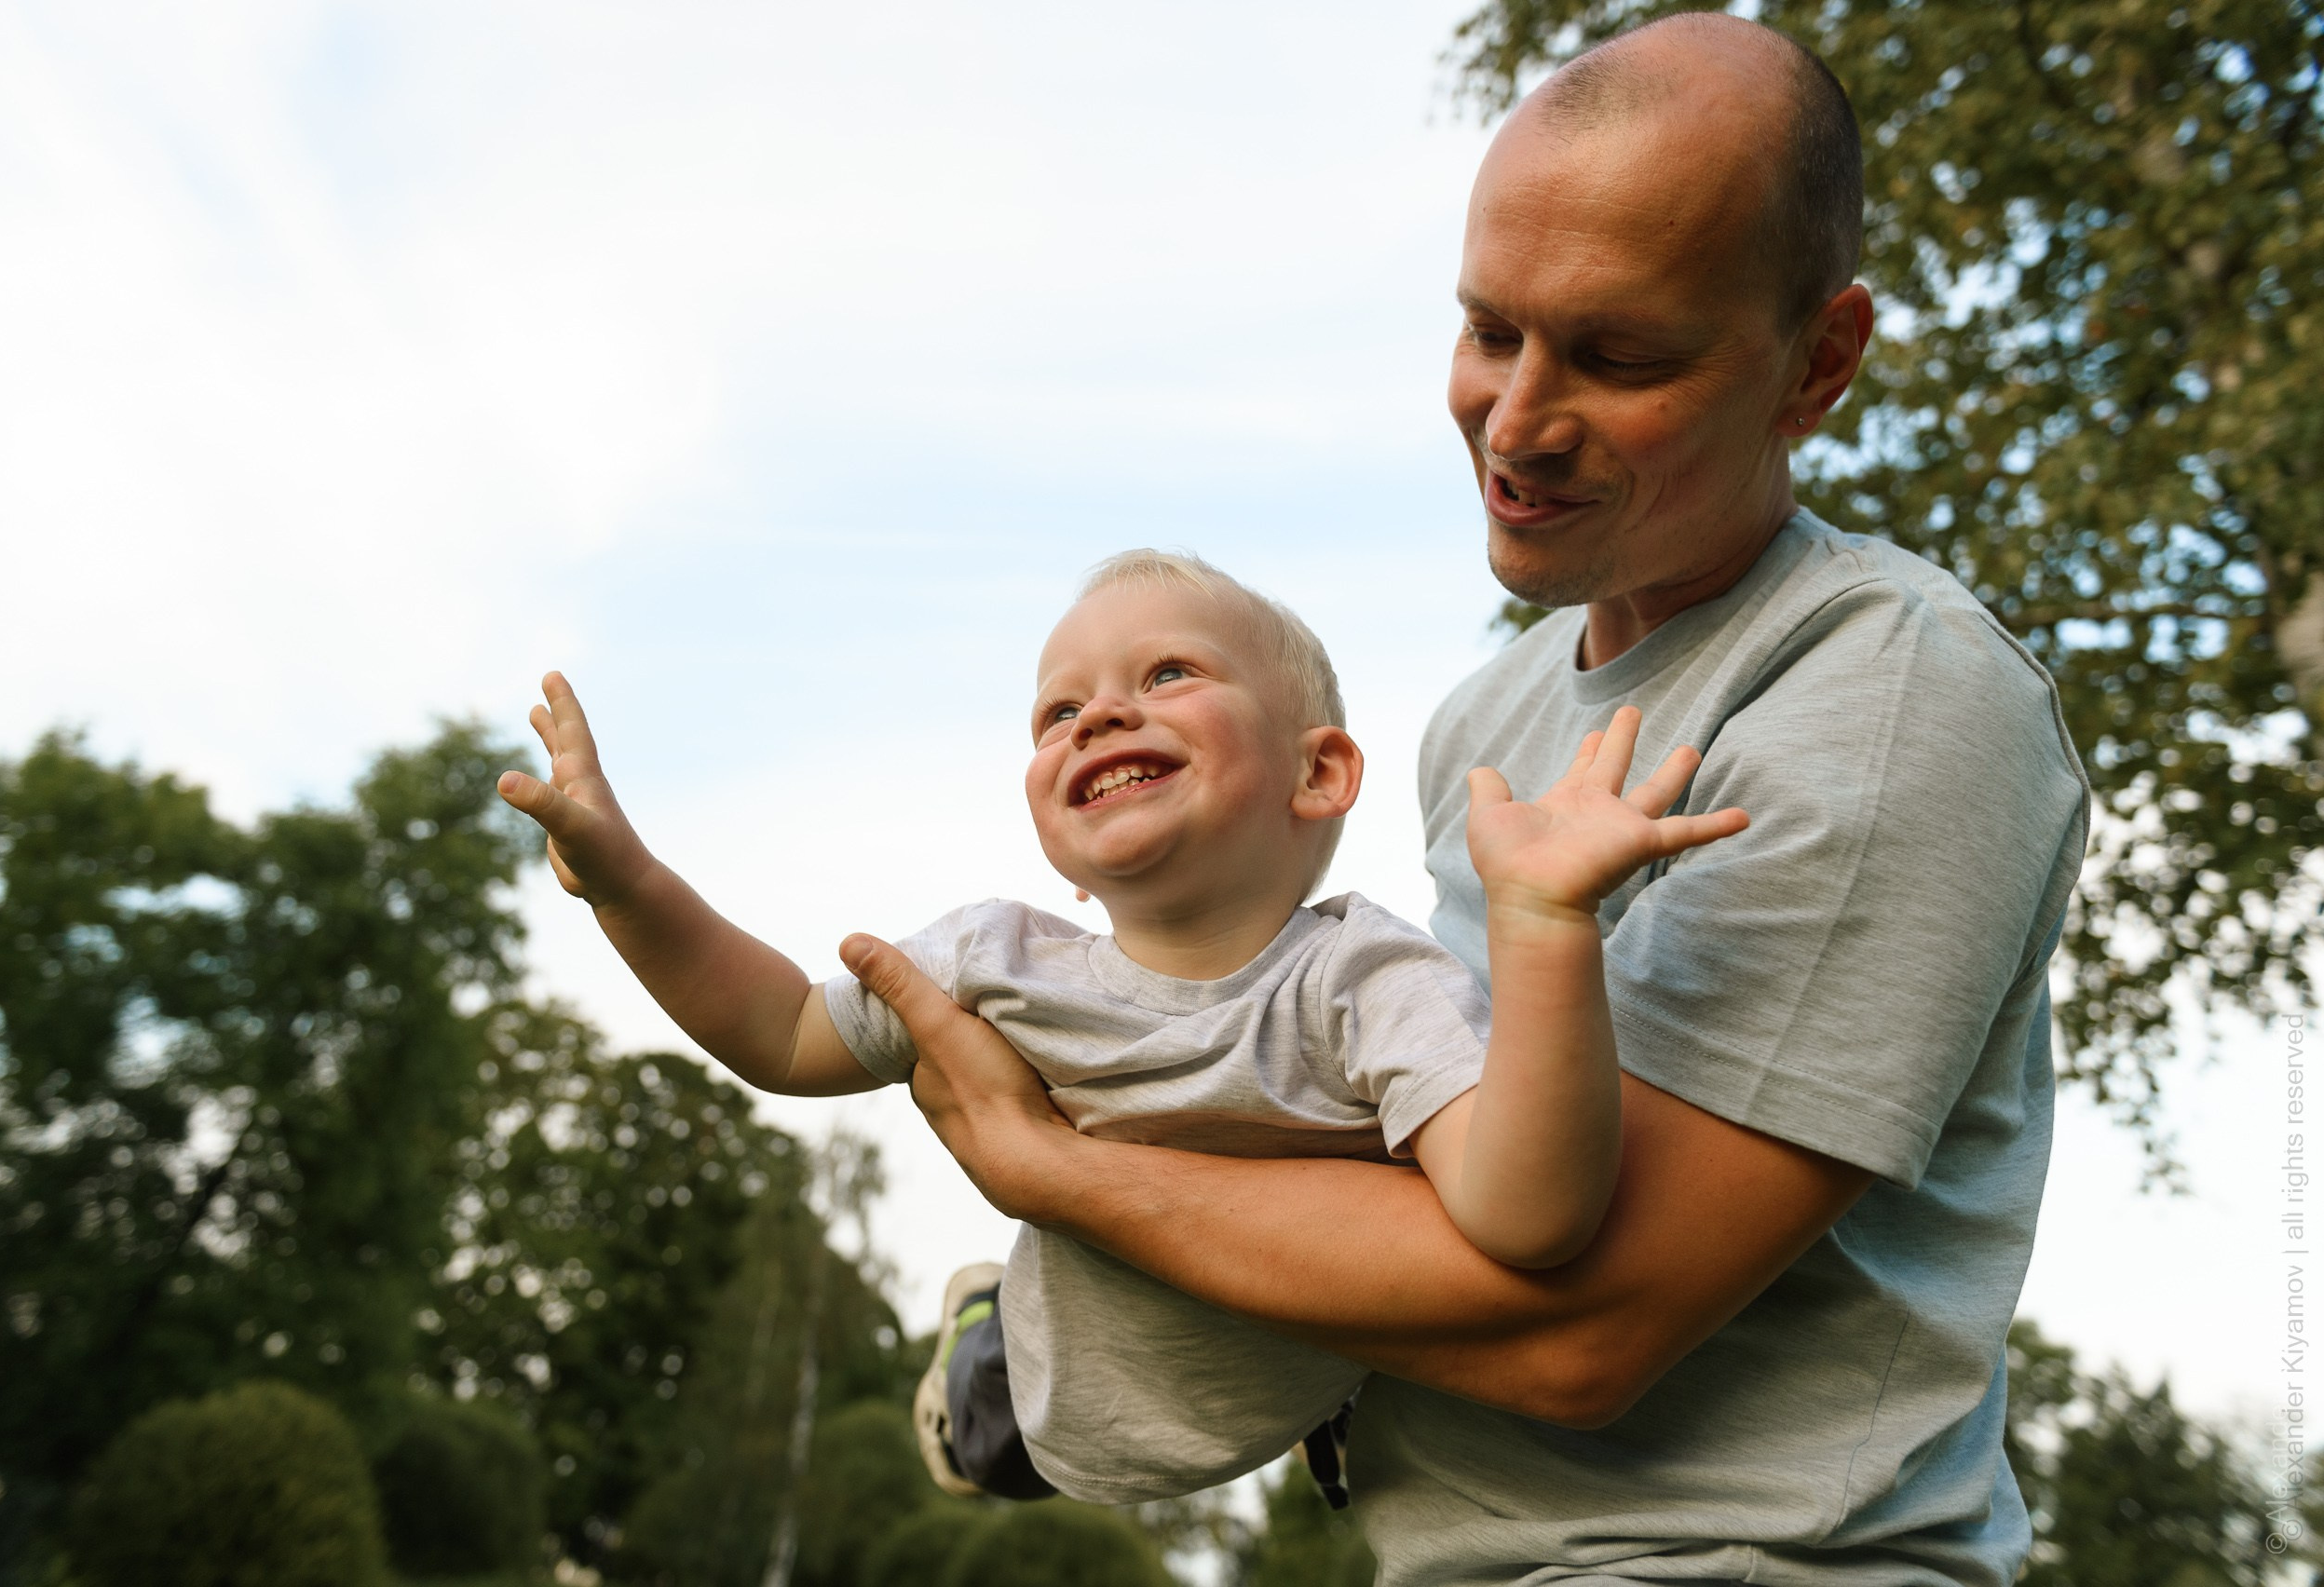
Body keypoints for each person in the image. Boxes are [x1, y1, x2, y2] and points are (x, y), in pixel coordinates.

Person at [836, 13, 2091, 1587]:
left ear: (1818, 362)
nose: (1515, 422)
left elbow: (1583, 1332)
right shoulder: (1493, 718)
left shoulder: (1895, 693)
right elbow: (1424, 1158)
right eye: (1492, 331)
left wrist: (1053, 1173)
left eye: (1619, 357)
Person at [496, 549, 1746, 1504]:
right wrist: (626, 884)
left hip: (1299, 1377)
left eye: (1168, 676)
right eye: (1058, 713)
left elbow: (1529, 1216)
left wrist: (1543, 929)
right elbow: (777, 1032)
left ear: (1318, 773)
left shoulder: (1375, 986)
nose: (1097, 716)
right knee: (989, 1441)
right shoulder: (996, 965)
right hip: (1050, 1393)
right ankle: (980, 1323)